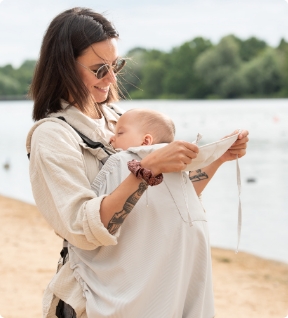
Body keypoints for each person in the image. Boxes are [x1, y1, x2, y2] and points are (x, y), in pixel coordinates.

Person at [26, 7, 249, 318]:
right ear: (64, 66)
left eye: (115, 65)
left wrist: (218, 159)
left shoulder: (123, 121)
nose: (112, 77)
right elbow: (83, 230)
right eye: (99, 68)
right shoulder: (52, 136)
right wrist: (148, 169)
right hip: (97, 302)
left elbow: (167, 199)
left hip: (154, 293)